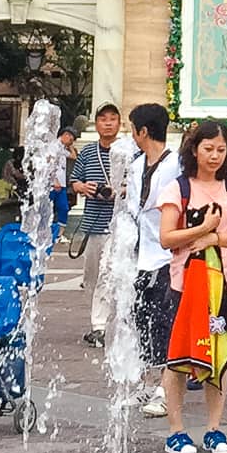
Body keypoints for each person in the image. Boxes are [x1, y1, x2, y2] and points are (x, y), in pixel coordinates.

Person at [157, 119, 227, 453]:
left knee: (221, 357)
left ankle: (214, 428)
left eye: (221, 149)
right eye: (208, 149)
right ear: (194, 150)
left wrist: (214, 236)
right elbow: (167, 237)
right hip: (185, 286)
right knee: (180, 358)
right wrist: (201, 229)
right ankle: (176, 430)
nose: (214, 156)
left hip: (225, 285)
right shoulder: (178, 189)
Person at [126, 102, 178, 419]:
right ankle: (146, 381)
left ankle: (165, 388)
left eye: (133, 130)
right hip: (140, 254)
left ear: (143, 131)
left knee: (166, 322)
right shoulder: (135, 167)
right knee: (142, 318)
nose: (132, 137)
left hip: (168, 255)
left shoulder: (177, 166)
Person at [70, 103, 122, 347]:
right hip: (93, 224)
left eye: (113, 118)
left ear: (120, 124)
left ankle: (101, 326)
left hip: (118, 226)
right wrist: (83, 187)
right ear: (97, 123)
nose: (108, 123)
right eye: (103, 119)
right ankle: (101, 322)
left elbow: (137, 183)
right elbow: (74, 181)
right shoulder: (88, 152)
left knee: (109, 275)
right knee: (93, 277)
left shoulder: (127, 151)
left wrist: (117, 192)